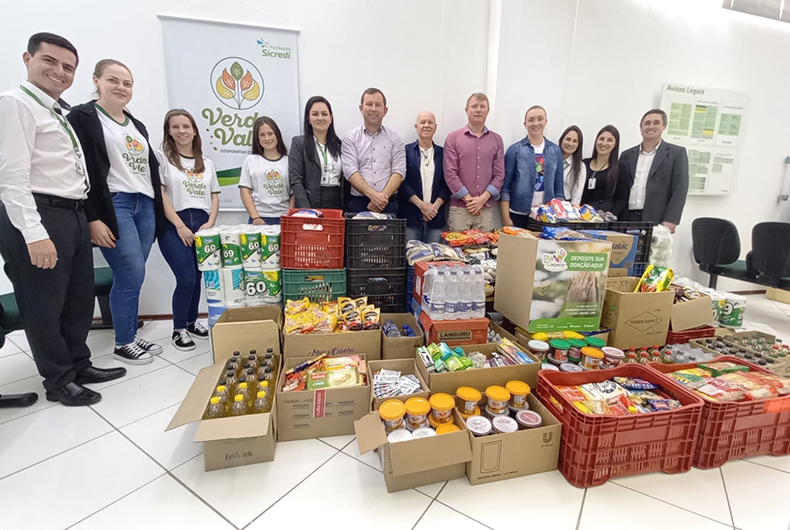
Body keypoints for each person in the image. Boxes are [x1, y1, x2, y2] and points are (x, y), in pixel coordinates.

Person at [0, 33, 127, 406]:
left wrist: (85, 217)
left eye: (68, 67)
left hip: (71, 213)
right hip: (40, 214)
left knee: (77, 298)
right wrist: (33, 233)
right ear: (28, 59)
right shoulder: (16, 104)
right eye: (50, 61)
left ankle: (79, 364)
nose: (60, 72)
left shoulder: (57, 111)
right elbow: (11, 179)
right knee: (44, 303)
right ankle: (58, 380)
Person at [68, 59, 166, 366]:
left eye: (127, 83)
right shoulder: (83, 118)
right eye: (113, 80)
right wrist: (92, 217)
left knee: (135, 275)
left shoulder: (136, 125)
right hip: (115, 204)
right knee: (130, 272)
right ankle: (123, 342)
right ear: (96, 80)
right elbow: (78, 170)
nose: (121, 87)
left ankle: (130, 334)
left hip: (144, 204)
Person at [157, 109, 219, 351]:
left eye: (186, 126)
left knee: (198, 277)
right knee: (185, 279)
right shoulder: (163, 159)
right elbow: (161, 195)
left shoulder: (207, 163)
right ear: (169, 132)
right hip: (175, 223)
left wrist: (210, 222)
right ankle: (179, 328)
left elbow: (214, 196)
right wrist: (179, 226)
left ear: (194, 131)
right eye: (176, 127)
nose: (182, 131)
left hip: (202, 222)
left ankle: (192, 322)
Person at [614, 109, 689, 232]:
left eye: (656, 123)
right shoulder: (626, 155)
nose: (651, 126)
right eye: (647, 123)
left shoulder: (676, 153)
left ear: (664, 126)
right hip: (627, 217)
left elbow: (680, 189)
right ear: (641, 127)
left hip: (657, 218)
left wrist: (672, 219)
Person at [444, 93, 504, 232]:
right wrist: (470, 201)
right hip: (459, 210)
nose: (478, 110)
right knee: (457, 246)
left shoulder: (497, 140)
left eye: (482, 106)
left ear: (488, 111)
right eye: (474, 106)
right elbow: (450, 173)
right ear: (466, 110)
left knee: (483, 246)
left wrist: (482, 199)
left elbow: (499, 174)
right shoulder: (453, 138)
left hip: (485, 208)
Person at [341, 88, 406, 214]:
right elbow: (350, 171)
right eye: (369, 104)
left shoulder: (395, 139)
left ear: (385, 110)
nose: (373, 109)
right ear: (361, 108)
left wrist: (381, 199)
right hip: (358, 203)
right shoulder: (350, 138)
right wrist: (374, 196)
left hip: (388, 203)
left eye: (378, 105)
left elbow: (399, 171)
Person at [501, 106, 564, 228]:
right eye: (531, 120)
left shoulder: (555, 151)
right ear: (525, 124)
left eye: (540, 119)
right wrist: (505, 218)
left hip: (547, 215)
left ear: (546, 121)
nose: (535, 123)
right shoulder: (514, 150)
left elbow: (559, 190)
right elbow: (505, 189)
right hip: (519, 212)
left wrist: (559, 216)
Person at [289, 96, 345, 210]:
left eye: (324, 114)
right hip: (310, 202)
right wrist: (306, 210)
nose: (320, 118)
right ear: (308, 119)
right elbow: (296, 180)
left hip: (337, 202)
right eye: (315, 114)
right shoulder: (299, 143)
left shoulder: (340, 146)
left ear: (331, 118)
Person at [400, 111, 449, 243]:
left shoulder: (444, 153)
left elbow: (448, 183)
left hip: (436, 217)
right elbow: (401, 182)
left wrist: (434, 208)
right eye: (422, 122)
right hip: (411, 217)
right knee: (411, 254)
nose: (426, 125)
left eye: (430, 122)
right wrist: (421, 205)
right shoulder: (405, 151)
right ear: (416, 127)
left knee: (434, 255)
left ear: (435, 127)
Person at [239, 116, 293, 224]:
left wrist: (289, 216)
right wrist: (255, 218)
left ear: (277, 134)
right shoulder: (251, 160)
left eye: (270, 133)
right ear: (257, 138)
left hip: (284, 217)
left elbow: (294, 193)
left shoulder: (289, 161)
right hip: (259, 217)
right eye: (262, 135)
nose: (267, 138)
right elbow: (244, 190)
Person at [580, 125, 620, 212]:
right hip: (582, 214)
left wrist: (610, 215)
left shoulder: (620, 167)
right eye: (601, 139)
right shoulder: (583, 164)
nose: (604, 143)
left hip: (605, 217)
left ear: (615, 144)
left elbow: (621, 199)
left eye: (609, 140)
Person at [559, 125, 586, 205]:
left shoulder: (580, 167)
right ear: (562, 139)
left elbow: (577, 195)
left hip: (565, 206)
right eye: (568, 139)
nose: (570, 143)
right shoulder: (551, 159)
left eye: (574, 141)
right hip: (546, 205)